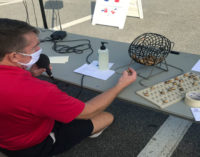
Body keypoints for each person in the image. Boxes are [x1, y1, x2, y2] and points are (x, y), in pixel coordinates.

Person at [0, 18, 137, 157]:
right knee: (106, 117)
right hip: (28, 146)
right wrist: (120, 85)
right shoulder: (38, 91)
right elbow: (89, 111)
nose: (39, 50)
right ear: (14, 56)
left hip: (7, 131)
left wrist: (28, 74)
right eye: (34, 47)